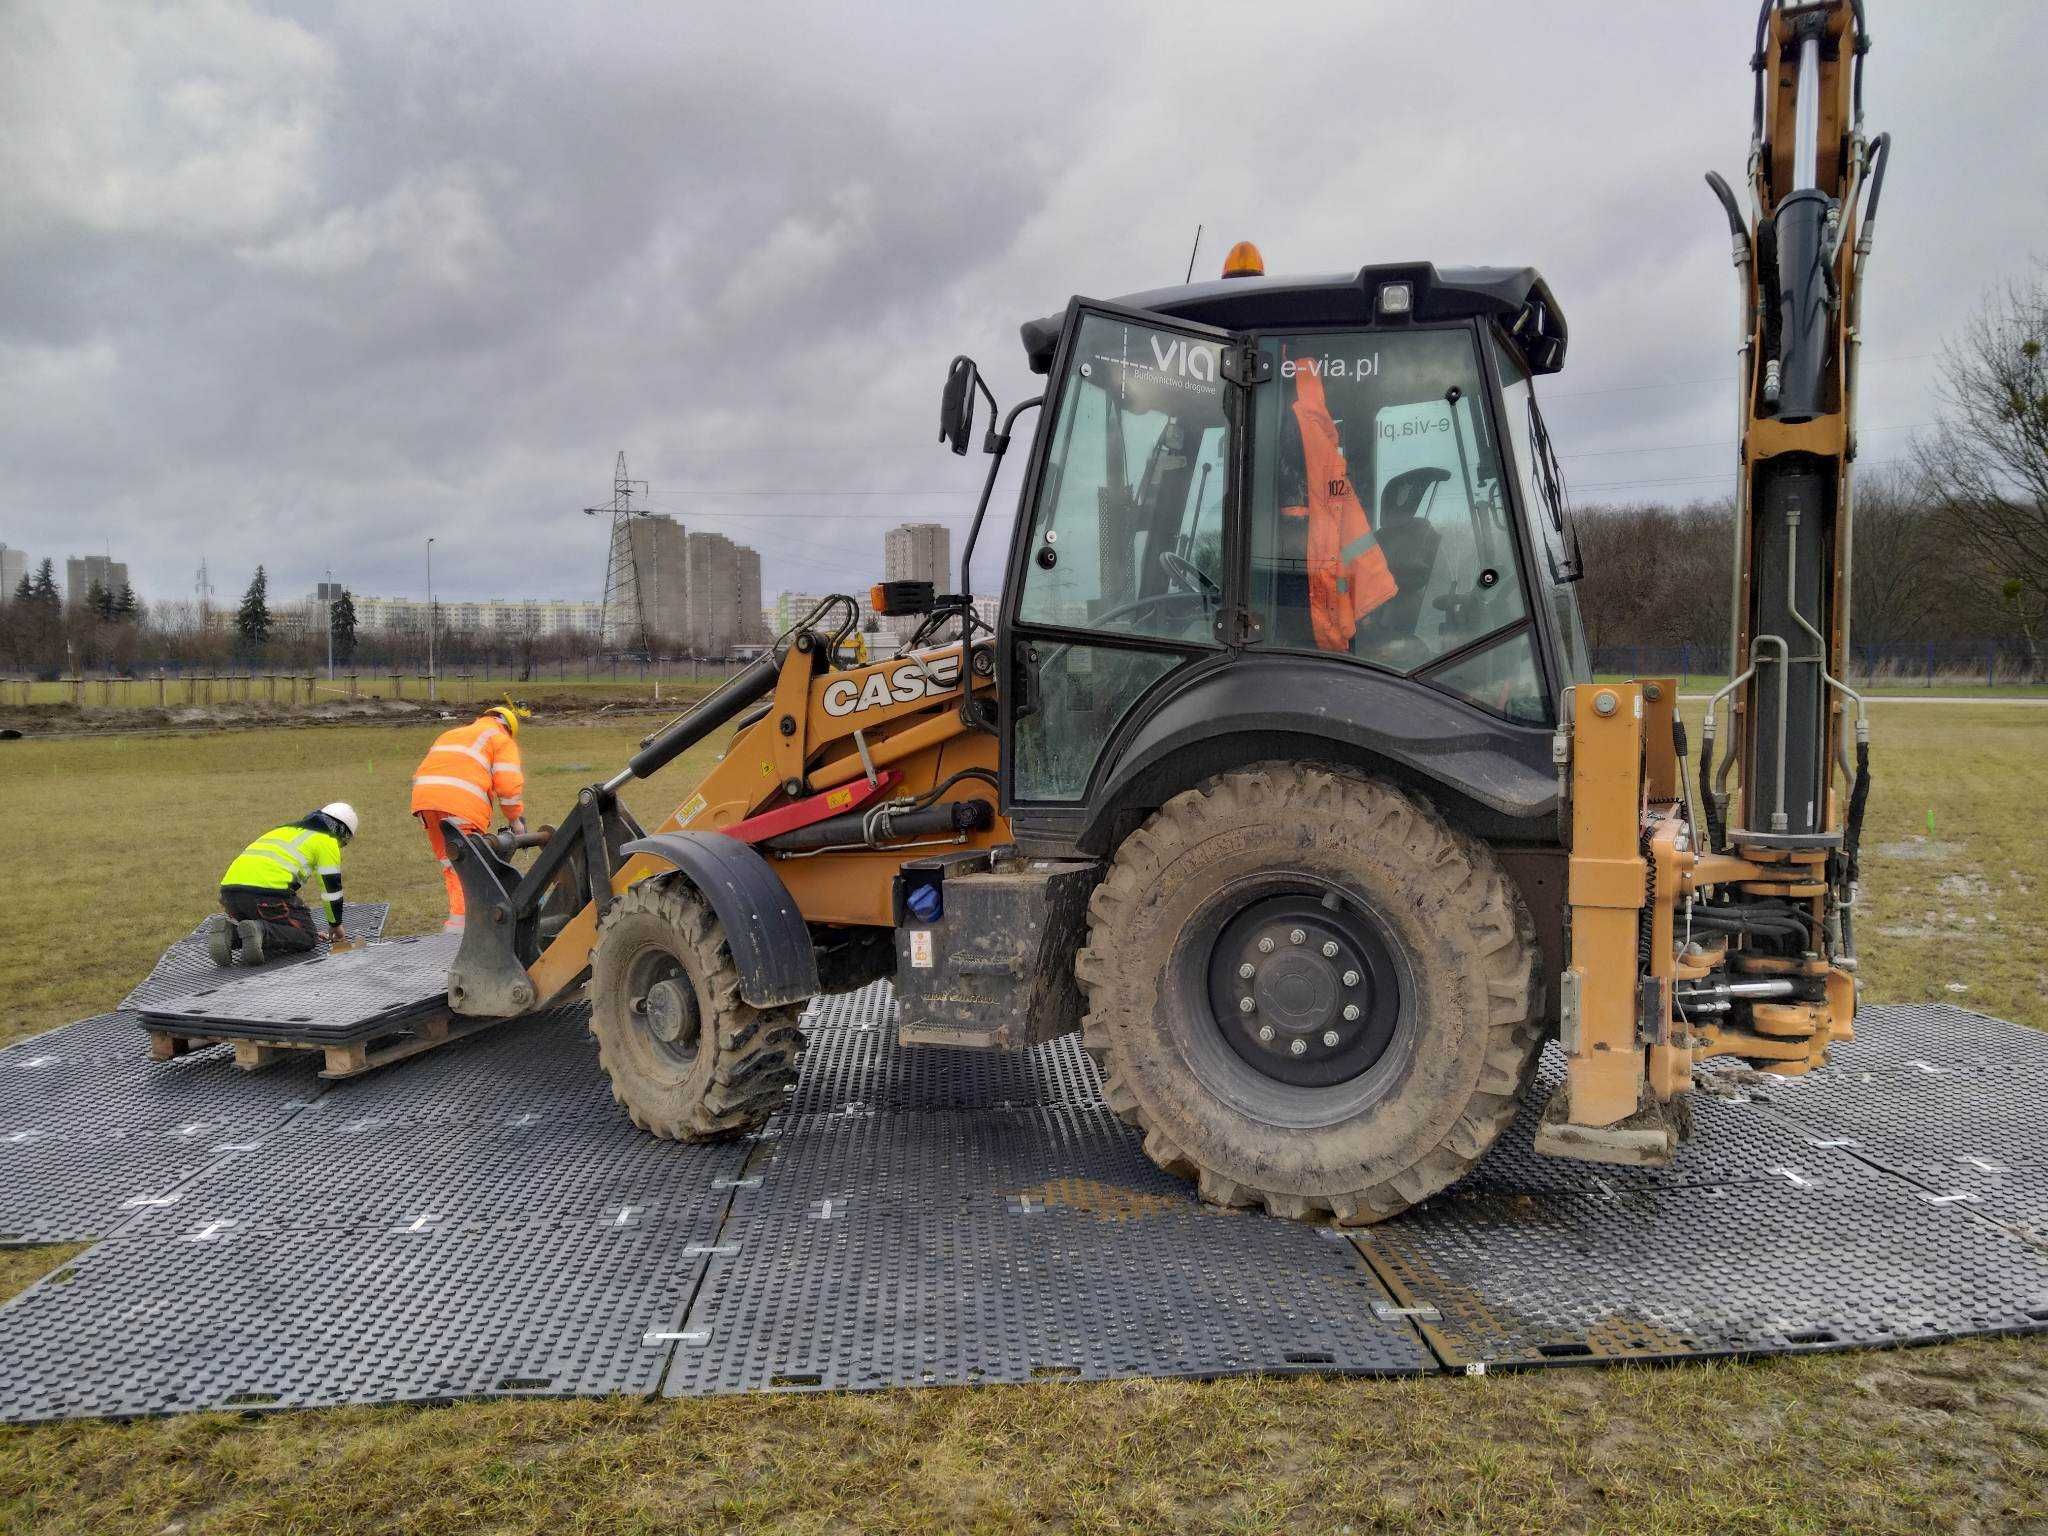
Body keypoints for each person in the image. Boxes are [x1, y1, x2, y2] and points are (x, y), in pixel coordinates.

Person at [410, 703, 528, 931]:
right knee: (469, 868)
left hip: (424, 802)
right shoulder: (501, 739)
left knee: (452, 864)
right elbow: (509, 788)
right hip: (461, 805)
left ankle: (456, 925)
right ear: (508, 727)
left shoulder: (452, 733)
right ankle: (465, 932)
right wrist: (517, 823)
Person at [208, 803, 359, 966]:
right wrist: (335, 925)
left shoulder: (284, 830)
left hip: (229, 895)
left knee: (262, 923)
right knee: (307, 935)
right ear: (341, 832)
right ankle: (261, 932)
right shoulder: (326, 840)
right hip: (266, 896)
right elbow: (331, 890)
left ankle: (231, 934)